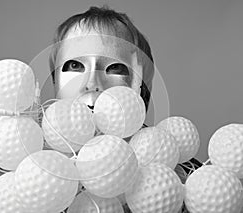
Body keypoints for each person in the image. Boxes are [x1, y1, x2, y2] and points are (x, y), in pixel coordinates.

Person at [48, 5, 200, 213]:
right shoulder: (23, 177)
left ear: (141, 88)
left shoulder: (180, 186)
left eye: (115, 67)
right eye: (75, 66)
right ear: (55, 83)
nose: (91, 83)